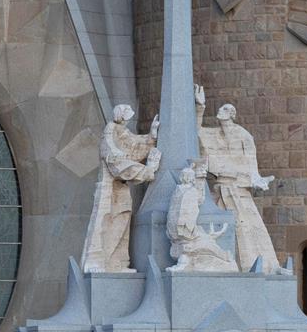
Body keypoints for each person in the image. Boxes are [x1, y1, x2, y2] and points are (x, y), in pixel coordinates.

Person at [194, 85, 280, 273]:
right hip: (219, 192)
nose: (219, 111)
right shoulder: (214, 134)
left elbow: (251, 161)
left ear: (232, 114)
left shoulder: (243, 135)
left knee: (246, 230)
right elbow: (196, 132)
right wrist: (200, 107)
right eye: (220, 108)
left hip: (237, 191)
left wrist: (256, 179)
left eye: (224, 109)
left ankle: (253, 265)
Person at [81, 105, 160, 272]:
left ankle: (118, 263)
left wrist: (151, 136)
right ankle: (96, 262)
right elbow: (117, 163)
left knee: (122, 223)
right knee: (105, 224)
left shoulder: (122, 132)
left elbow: (134, 148)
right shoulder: (110, 133)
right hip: (108, 189)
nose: (129, 118)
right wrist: (148, 171)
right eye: (127, 115)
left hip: (121, 189)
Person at [166, 165, 237, 272]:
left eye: (188, 176)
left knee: (198, 244)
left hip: (186, 228)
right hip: (180, 227)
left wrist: (200, 179)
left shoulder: (188, 191)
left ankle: (226, 258)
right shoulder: (181, 190)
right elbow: (177, 210)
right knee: (193, 244)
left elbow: (193, 207)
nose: (186, 178)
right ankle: (225, 257)